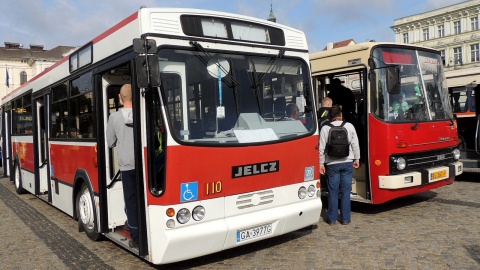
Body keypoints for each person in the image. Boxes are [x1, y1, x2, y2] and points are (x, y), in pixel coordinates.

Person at [106, 84, 138, 249]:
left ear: (120, 97)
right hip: (144, 164)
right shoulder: (142, 112)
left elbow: (110, 142)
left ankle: (136, 236)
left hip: (127, 166)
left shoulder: (114, 118)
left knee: (131, 202)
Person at [319, 105, 360, 226]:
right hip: (347, 161)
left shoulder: (325, 128)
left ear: (330, 116)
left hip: (332, 163)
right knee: (346, 191)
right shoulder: (349, 126)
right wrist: (356, 159)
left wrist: (321, 164)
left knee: (333, 191)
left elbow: (321, 148)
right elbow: (355, 144)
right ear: (341, 115)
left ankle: (332, 219)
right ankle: (345, 218)